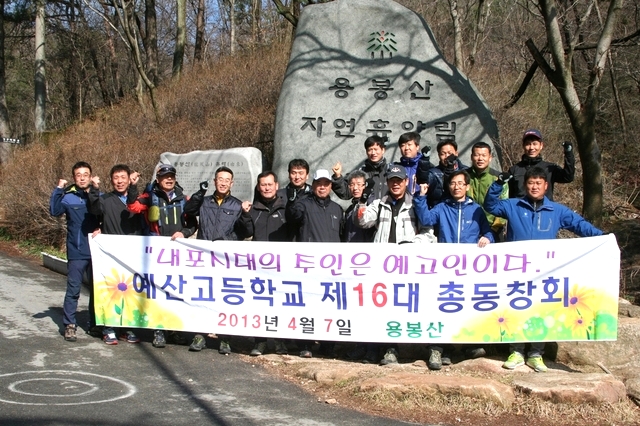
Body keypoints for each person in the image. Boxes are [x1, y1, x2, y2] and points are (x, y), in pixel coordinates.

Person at [484, 166, 603, 372]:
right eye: (531, 183)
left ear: (546, 186)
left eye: (538, 183)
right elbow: (490, 205)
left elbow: (579, 224)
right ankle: (516, 351)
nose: (534, 187)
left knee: (540, 310)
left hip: (544, 272)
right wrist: (499, 183)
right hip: (517, 271)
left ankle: (536, 353)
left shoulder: (556, 210)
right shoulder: (513, 205)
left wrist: (602, 237)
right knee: (516, 309)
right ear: (525, 185)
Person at [357, 164, 437, 365]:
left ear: (406, 182)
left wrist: (412, 246)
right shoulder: (379, 203)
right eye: (392, 181)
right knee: (385, 308)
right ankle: (390, 349)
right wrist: (362, 202)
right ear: (387, 182)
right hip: (382, 267)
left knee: (411, 306)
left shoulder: (416, 204)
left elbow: (429, 234)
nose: (395, 184)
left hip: (408, 266)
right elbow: (364, 221)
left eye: (399, 181)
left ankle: (423, 347)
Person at [413, 170, 493, 369]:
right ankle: (438, 348)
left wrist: (488, 237)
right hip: (445, 267)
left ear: (467, 186)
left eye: (460, 183)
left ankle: (469, 345)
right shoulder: (442, 207)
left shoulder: (476, 210)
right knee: (442, 305)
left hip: (469, 268)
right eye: (453, 183)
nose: (456, 187)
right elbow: (426, 219)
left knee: (468, 304)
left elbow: (488, 231)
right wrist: (421, 197)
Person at [126, 163, 196, 348]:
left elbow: (192, 224)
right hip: (156, 253)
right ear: (158, 180)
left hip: (177, 253)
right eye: (165, 176)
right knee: (158, 292)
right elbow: (133, 207)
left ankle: (173, 330)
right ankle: (159, 330)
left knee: (175, 292)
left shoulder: (184, 199)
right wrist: (133, 186)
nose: (169, 179)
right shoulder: (149, 197)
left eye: (171, 175)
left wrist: (184, 233)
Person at [184, 166, 250, 354]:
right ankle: (200, 335)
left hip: (226, 260)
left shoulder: (237, 205)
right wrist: (200, 192)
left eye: (227, 180)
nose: (223, 183)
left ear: (232, 183)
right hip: (204, 258)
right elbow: (189, 210)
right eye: (220, 179)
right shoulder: (204, 202)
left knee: (225, 299)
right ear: (215, 181)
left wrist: (245, 215)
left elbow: (246, 232)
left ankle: (225, 338)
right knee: (203, 296)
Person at [286, 169, 345, 357]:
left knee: (329, 306)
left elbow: (342, 236)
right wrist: (292, 201)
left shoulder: (337, 209)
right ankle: (305, 344)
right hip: (309, 267)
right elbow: (292, 216)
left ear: (330, 186)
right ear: (313, 186)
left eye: (326, 184)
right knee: (308, 305)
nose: (322, 187)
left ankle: (328, 345)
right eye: (319, 183)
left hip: (331, 270)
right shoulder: (304, 205)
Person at [88, 164, 146, 345]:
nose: (119, 181)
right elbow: (94, 210)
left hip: (133, 253)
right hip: (111, 254)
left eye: (123, 177)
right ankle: (109, 328)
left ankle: (127, 328)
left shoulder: (138, 200)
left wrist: (135, 187)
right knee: (111, 291)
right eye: (116, 178)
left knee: (131, 291)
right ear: (111, 180)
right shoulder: (105, 199)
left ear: (129, 179)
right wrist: (94, 189)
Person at [238, 171, 290, 356]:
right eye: (263, 185)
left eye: (270, 184)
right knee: (259, 305)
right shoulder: (253, 209)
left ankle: (280, 341)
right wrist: (245, 215)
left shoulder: (287, 209)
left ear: (276, 186)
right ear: (258, 187)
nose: (267, 188)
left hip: (282, 267)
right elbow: (246, 232)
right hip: (259, 268)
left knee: (281, 304)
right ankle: (259, 342)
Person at [49, 161, 101, 342]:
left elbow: (107, 216)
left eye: (85, 175)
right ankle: (69, 324)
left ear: (91, 176)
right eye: (79, 175)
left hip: (97, 251)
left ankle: (95, 323)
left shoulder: (97, 195)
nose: (82, 178)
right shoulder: (68, 196)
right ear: (74, 178)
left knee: (97, 290)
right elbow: (54, 211)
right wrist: (58, 189)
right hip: (77, 251)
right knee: (73, 289)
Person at [507, 128, 574, 200]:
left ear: (541, 145)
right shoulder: (514, 170)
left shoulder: (550, 168)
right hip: (520, 206)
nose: (531, 147)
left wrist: (568, 154)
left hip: (544, 206)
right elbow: (510, 196)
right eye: (528, 144)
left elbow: (568, 177)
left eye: (535, 144)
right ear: (523, 146)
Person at [467, 142, 508, 241]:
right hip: (468, 227)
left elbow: (504, 207)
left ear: (490, 158)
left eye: (484, 155)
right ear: (472, 157)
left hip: (493, 228)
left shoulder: (498, 179)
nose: (480, 159)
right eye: (477, 155)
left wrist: (493, 230)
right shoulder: (464, 176)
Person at [331, 135, 390, 202]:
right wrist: (337, 176)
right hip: (364, 208)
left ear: (383, 150)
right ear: (366, 152)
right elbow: (345, 193)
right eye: (370, 150)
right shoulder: (360, 172)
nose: (373, 153)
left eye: (376, 149)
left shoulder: (390, 171)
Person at [424, 140, 468, 209]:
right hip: (439, 211)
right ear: (439, 155)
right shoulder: (433, 173)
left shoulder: (466, 171)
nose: (447, 156)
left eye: (450, 153)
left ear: (456, 153)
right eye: (443, 154)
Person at [341, 171, 375, 243]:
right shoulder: (350, 209)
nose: (355, 188)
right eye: (352, 185)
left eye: (359, 184)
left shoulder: (372, 206)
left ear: (366, 186)